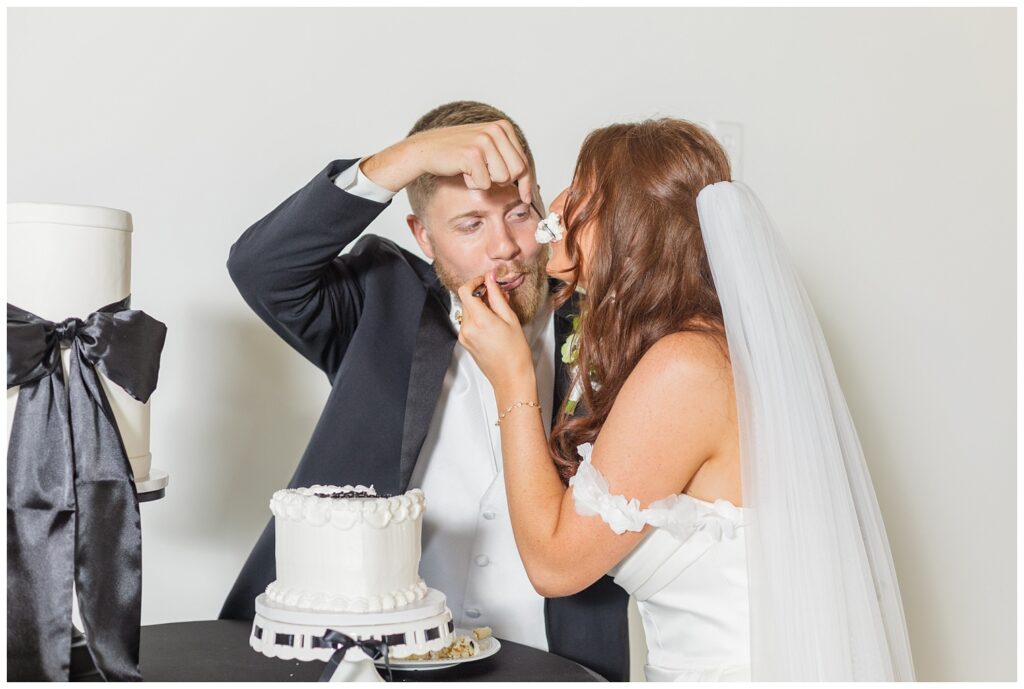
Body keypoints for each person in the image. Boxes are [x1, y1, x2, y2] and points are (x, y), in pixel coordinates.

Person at [457, 118, 917, 681]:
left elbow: (554, 567)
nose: (558, 207)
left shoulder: (687, 369)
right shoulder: (698, 350)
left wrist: (513, 379)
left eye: (582, 193)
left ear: (631, 228)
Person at [219, 101, 630, 681]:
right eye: (469, 225)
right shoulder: (378, 301)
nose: (504, 249)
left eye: (518, 214)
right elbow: (260, 267)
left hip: (556, 659)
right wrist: (406, 158)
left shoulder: (608, 326)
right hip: (370, 661)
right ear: (423, 235)